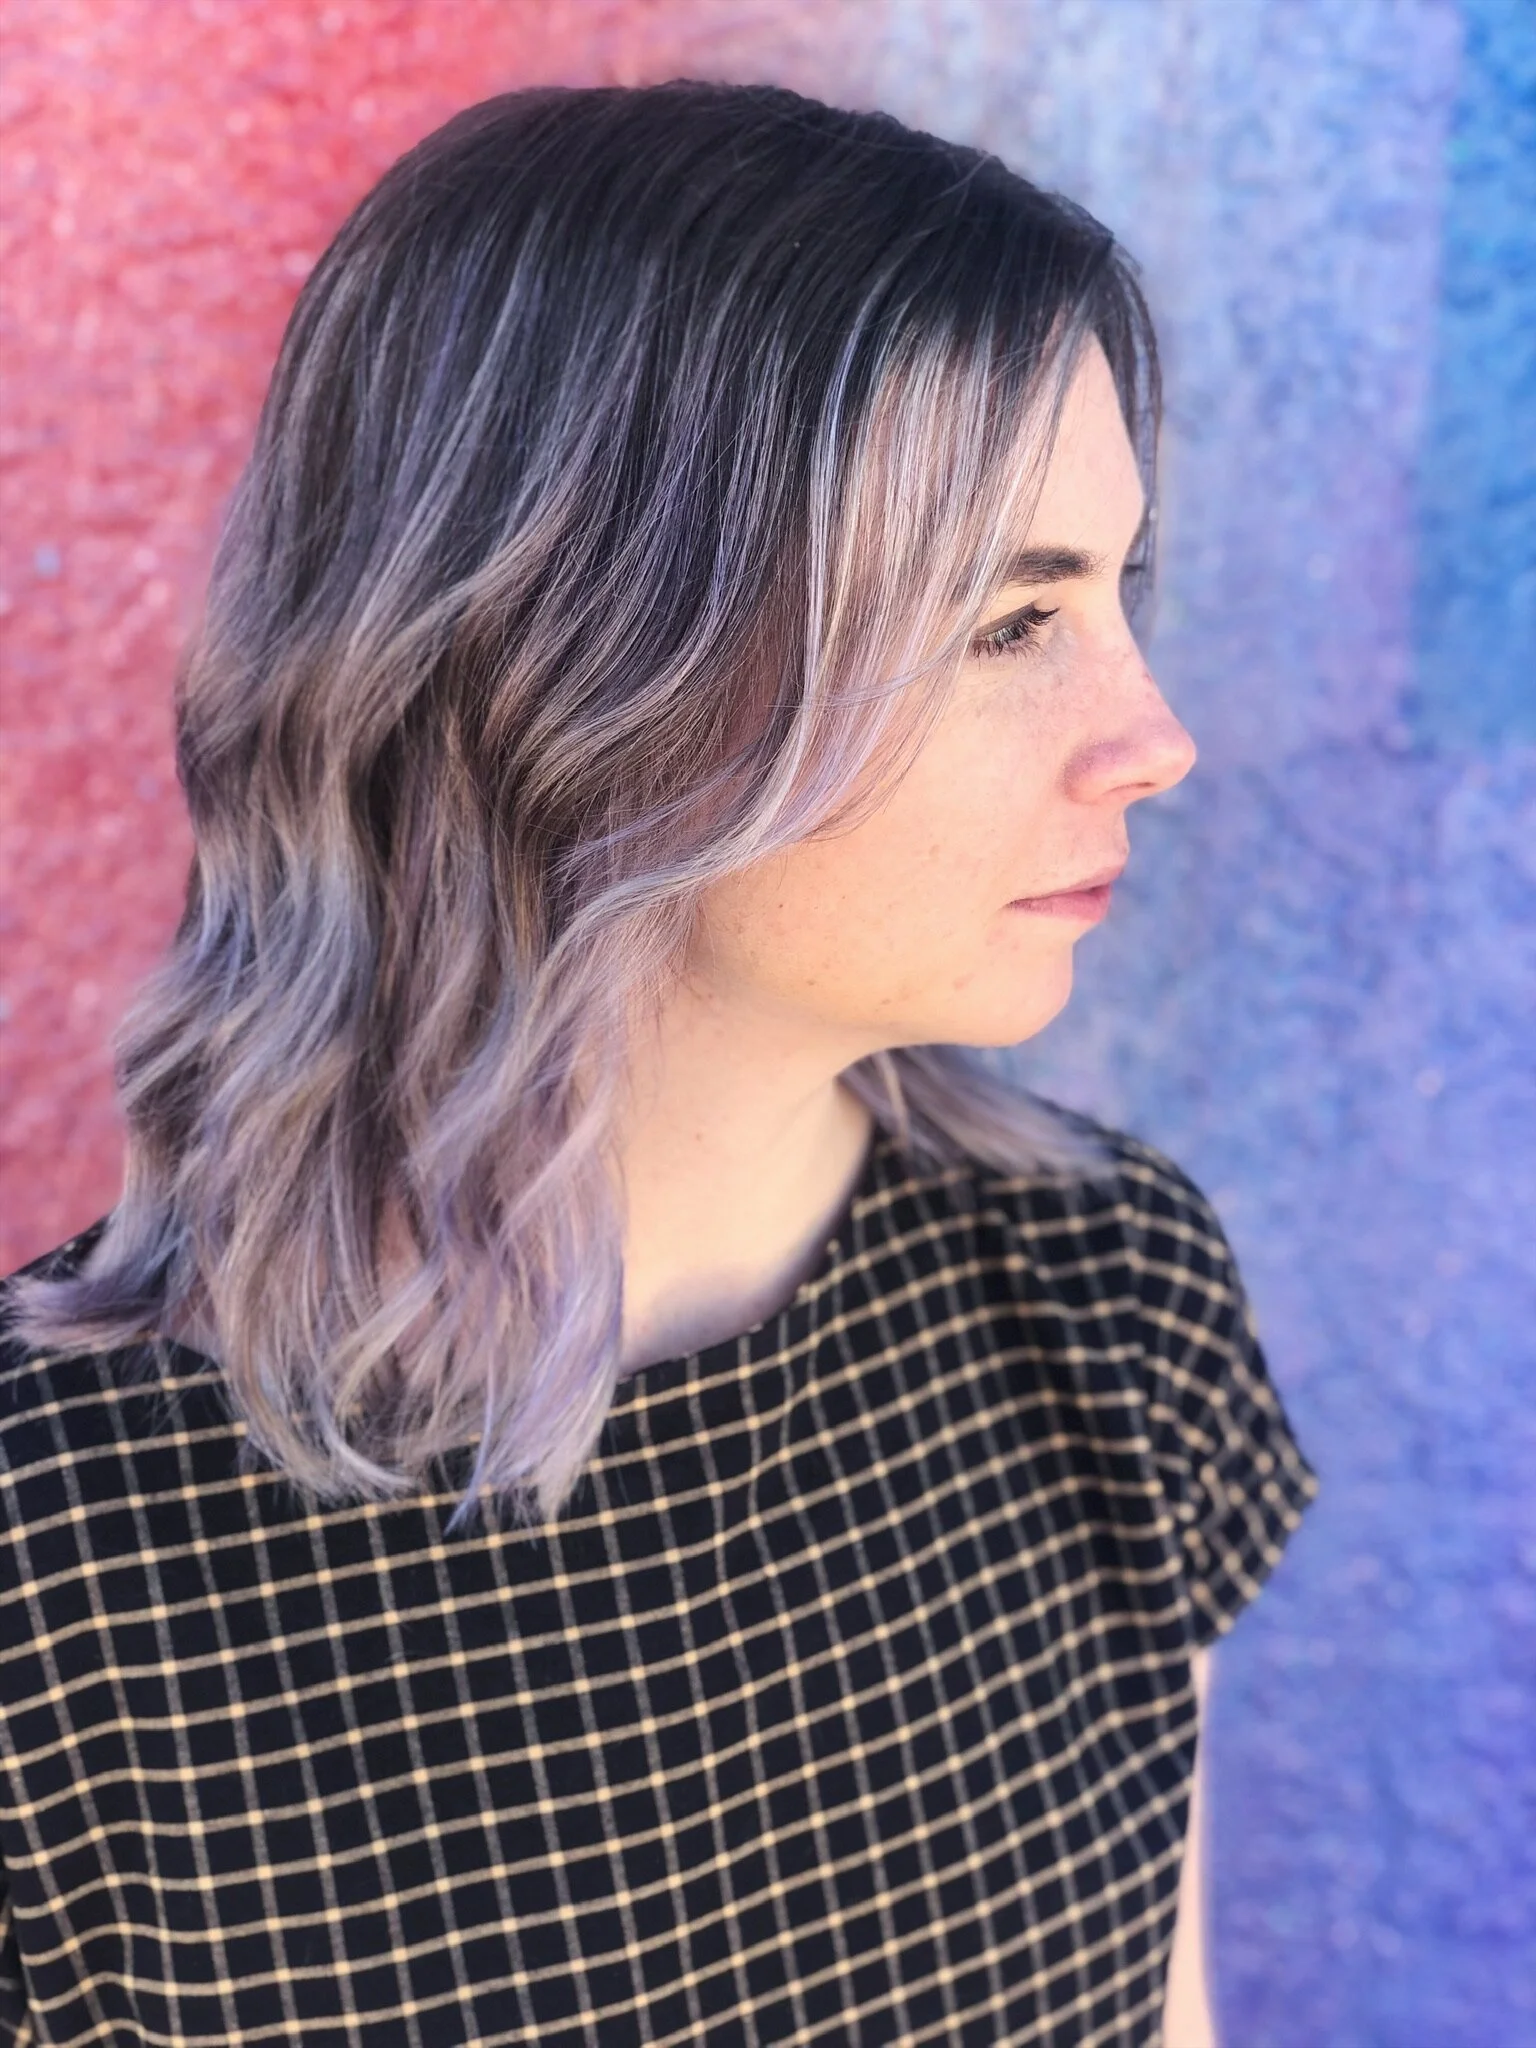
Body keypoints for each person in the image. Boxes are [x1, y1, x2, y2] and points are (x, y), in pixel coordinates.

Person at [0, 81, 1316, 2047]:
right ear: (586, 662)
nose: (1152, 733)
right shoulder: (51, 1563)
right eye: (1008, 617)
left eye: (1114, 592)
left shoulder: (1108, 1304)